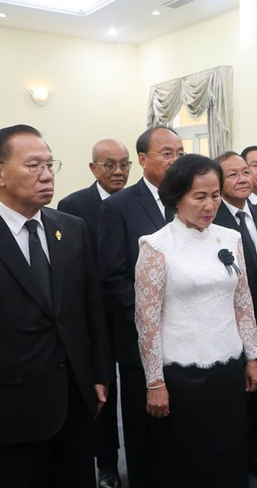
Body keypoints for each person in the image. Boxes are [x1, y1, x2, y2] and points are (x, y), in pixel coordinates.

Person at [135, 154, 257, 487]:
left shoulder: (229, 238)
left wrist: (253, 357)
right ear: (177, 197)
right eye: (200, 196)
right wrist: (154, 383)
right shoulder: (156, 246)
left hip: (228, 366)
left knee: (229, 450)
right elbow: (146, 323)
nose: (210, 205)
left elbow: (243, 301)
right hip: (181, 375)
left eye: (216, 194)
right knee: (188, 459)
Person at [0, 124, 113, 487]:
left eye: (50, 165)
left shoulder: (72, 228)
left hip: (75, 400)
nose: (47, 175)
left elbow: (92, 309)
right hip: (12, 405)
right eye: (33, 166)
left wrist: (99, 375)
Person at [97, 125, 184, 487]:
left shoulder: (190, 202)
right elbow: (114, 277)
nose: (176, 160)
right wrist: (153, 314)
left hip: (186, 338)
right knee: (143, 425)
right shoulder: (119, 206)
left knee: (181, 425)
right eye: (167, 154)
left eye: (180, 153)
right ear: (143, 159)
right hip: (139, 339)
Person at [57, 138, 131, 488]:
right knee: (102, 391)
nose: (118, 171)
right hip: (93, 316)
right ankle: (107, 462)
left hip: (129, 314)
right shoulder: (73, 205)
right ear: (93, 168)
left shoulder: (137, 203)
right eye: (109, 164)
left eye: (125, 164)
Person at [213, 152, 257, 479]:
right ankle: (240, 451)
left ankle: (255, 445)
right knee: (240, 389)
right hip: (230, 318)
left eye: (246, 172)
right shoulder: (212, 219)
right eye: (233, 175)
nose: (243, 179)